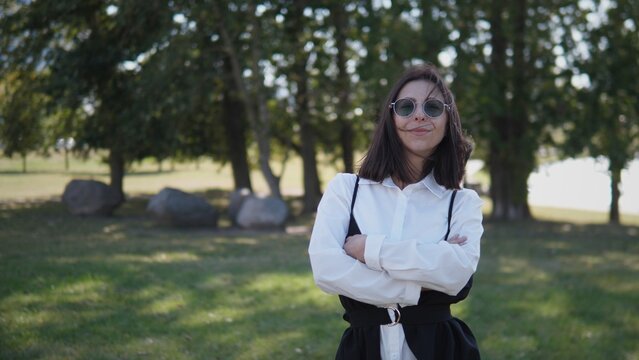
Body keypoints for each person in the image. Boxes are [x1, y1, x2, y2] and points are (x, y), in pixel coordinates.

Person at [308, 64, 484, 360]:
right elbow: (327, 270)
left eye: (433, 107)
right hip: (362, 349)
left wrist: (369, 249)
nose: (419, 115)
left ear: (447, 119)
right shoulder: (346, 190)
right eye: (406, 106)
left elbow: (455, 275)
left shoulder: (463, 201)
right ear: (391, 117)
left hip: (441, 349)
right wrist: (420, 285)